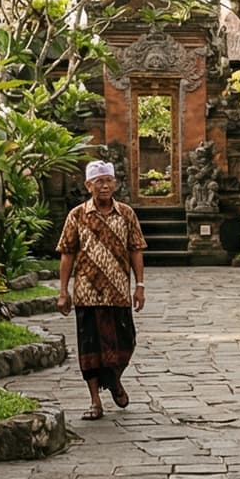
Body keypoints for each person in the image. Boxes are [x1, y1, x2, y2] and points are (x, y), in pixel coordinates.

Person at [56, 160, 147, 420]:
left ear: (115, 183)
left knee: (125, 341)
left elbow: (136, 249)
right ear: (88, 186)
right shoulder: (77, 215)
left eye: (108, 181)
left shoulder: (127, 213)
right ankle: (95, 401)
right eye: (99, 181)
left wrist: (139, 285)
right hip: (87, 292)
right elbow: (67, 254)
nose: (104, 186)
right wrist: (63, 291)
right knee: (90, 349)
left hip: (118, 291)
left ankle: (115, 380)